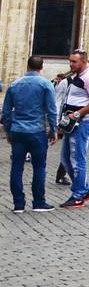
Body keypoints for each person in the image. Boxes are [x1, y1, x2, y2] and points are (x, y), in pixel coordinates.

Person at [5, 55, 57, 212]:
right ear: (41, 68)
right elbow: (51, 111)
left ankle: (18, 204)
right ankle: (39, 202)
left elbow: (6, 112)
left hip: (18, 131)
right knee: (39, 167)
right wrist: (53, 130)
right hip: (37, 131)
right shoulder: (45, 84)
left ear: (27, 66)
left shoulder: (14, 84)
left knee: (17, 166)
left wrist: (8, 130)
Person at [57, 49, 89, 209]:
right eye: (70, 61)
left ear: (83, 62)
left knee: (77, 159)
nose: (71, 64)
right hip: (72, 123)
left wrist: (78, 113)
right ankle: (85, 190)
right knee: (66, 158)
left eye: (74, 61)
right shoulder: (75, 77)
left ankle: (78, 196)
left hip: (82, 123)